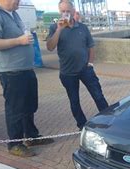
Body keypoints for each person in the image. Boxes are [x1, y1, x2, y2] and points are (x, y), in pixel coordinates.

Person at [0, 0, 54, 157]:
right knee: (15, 108)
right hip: (11, 71)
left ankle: (31, 136)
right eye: (16, 0)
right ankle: (15, 143)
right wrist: (19, 41)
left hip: (25, 68)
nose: (19, 2)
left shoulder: (13, 14)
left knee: (29, 104)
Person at [46, 0, 108, 130]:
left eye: (68, 11)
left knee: (98, 95)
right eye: (63, 11)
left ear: (73, 12)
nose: (66, 14)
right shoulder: (54, 28)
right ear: (59, 12)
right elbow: (50, 47)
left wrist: (90, 63)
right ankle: (82, 125)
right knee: (74, 101)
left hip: (86, 70)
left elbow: (91, 46)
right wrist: (59, 29)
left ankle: (108, 120)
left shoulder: (82, 27)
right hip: (68, 73)